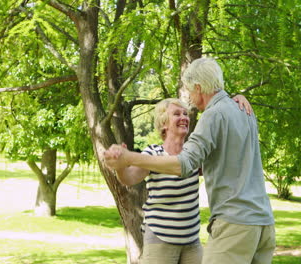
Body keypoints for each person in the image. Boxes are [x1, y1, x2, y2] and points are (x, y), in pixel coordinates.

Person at [105, 57, 274, 264]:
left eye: (190, 91)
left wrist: (129, 157)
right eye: (177, 113)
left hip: (234, 224)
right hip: (263, 223)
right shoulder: (244, 111)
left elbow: (182, 165)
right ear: (164, 123)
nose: (191, 101)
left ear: (199, 87)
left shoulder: (213, 116)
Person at [111, 95, 253, 264]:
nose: (184, 118)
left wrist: (234, 100)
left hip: (191, 240)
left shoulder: (194, 155)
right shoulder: (154, 154)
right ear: (164, 123)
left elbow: (224, 160)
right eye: (177, 114)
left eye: (185, 114)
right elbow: (129, 178)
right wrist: (120, 164)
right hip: (160, 237)